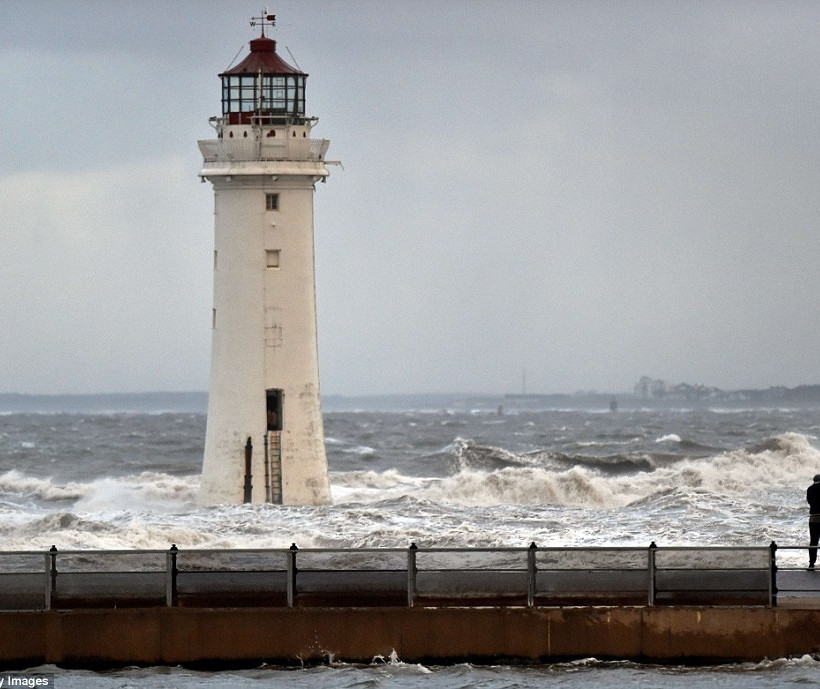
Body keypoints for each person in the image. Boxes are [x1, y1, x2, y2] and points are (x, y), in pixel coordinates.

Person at [807, 474, 820, 570]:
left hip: (813, 518)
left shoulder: (810, 489)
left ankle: (811, 564)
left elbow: (809, 501)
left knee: (813, 541)